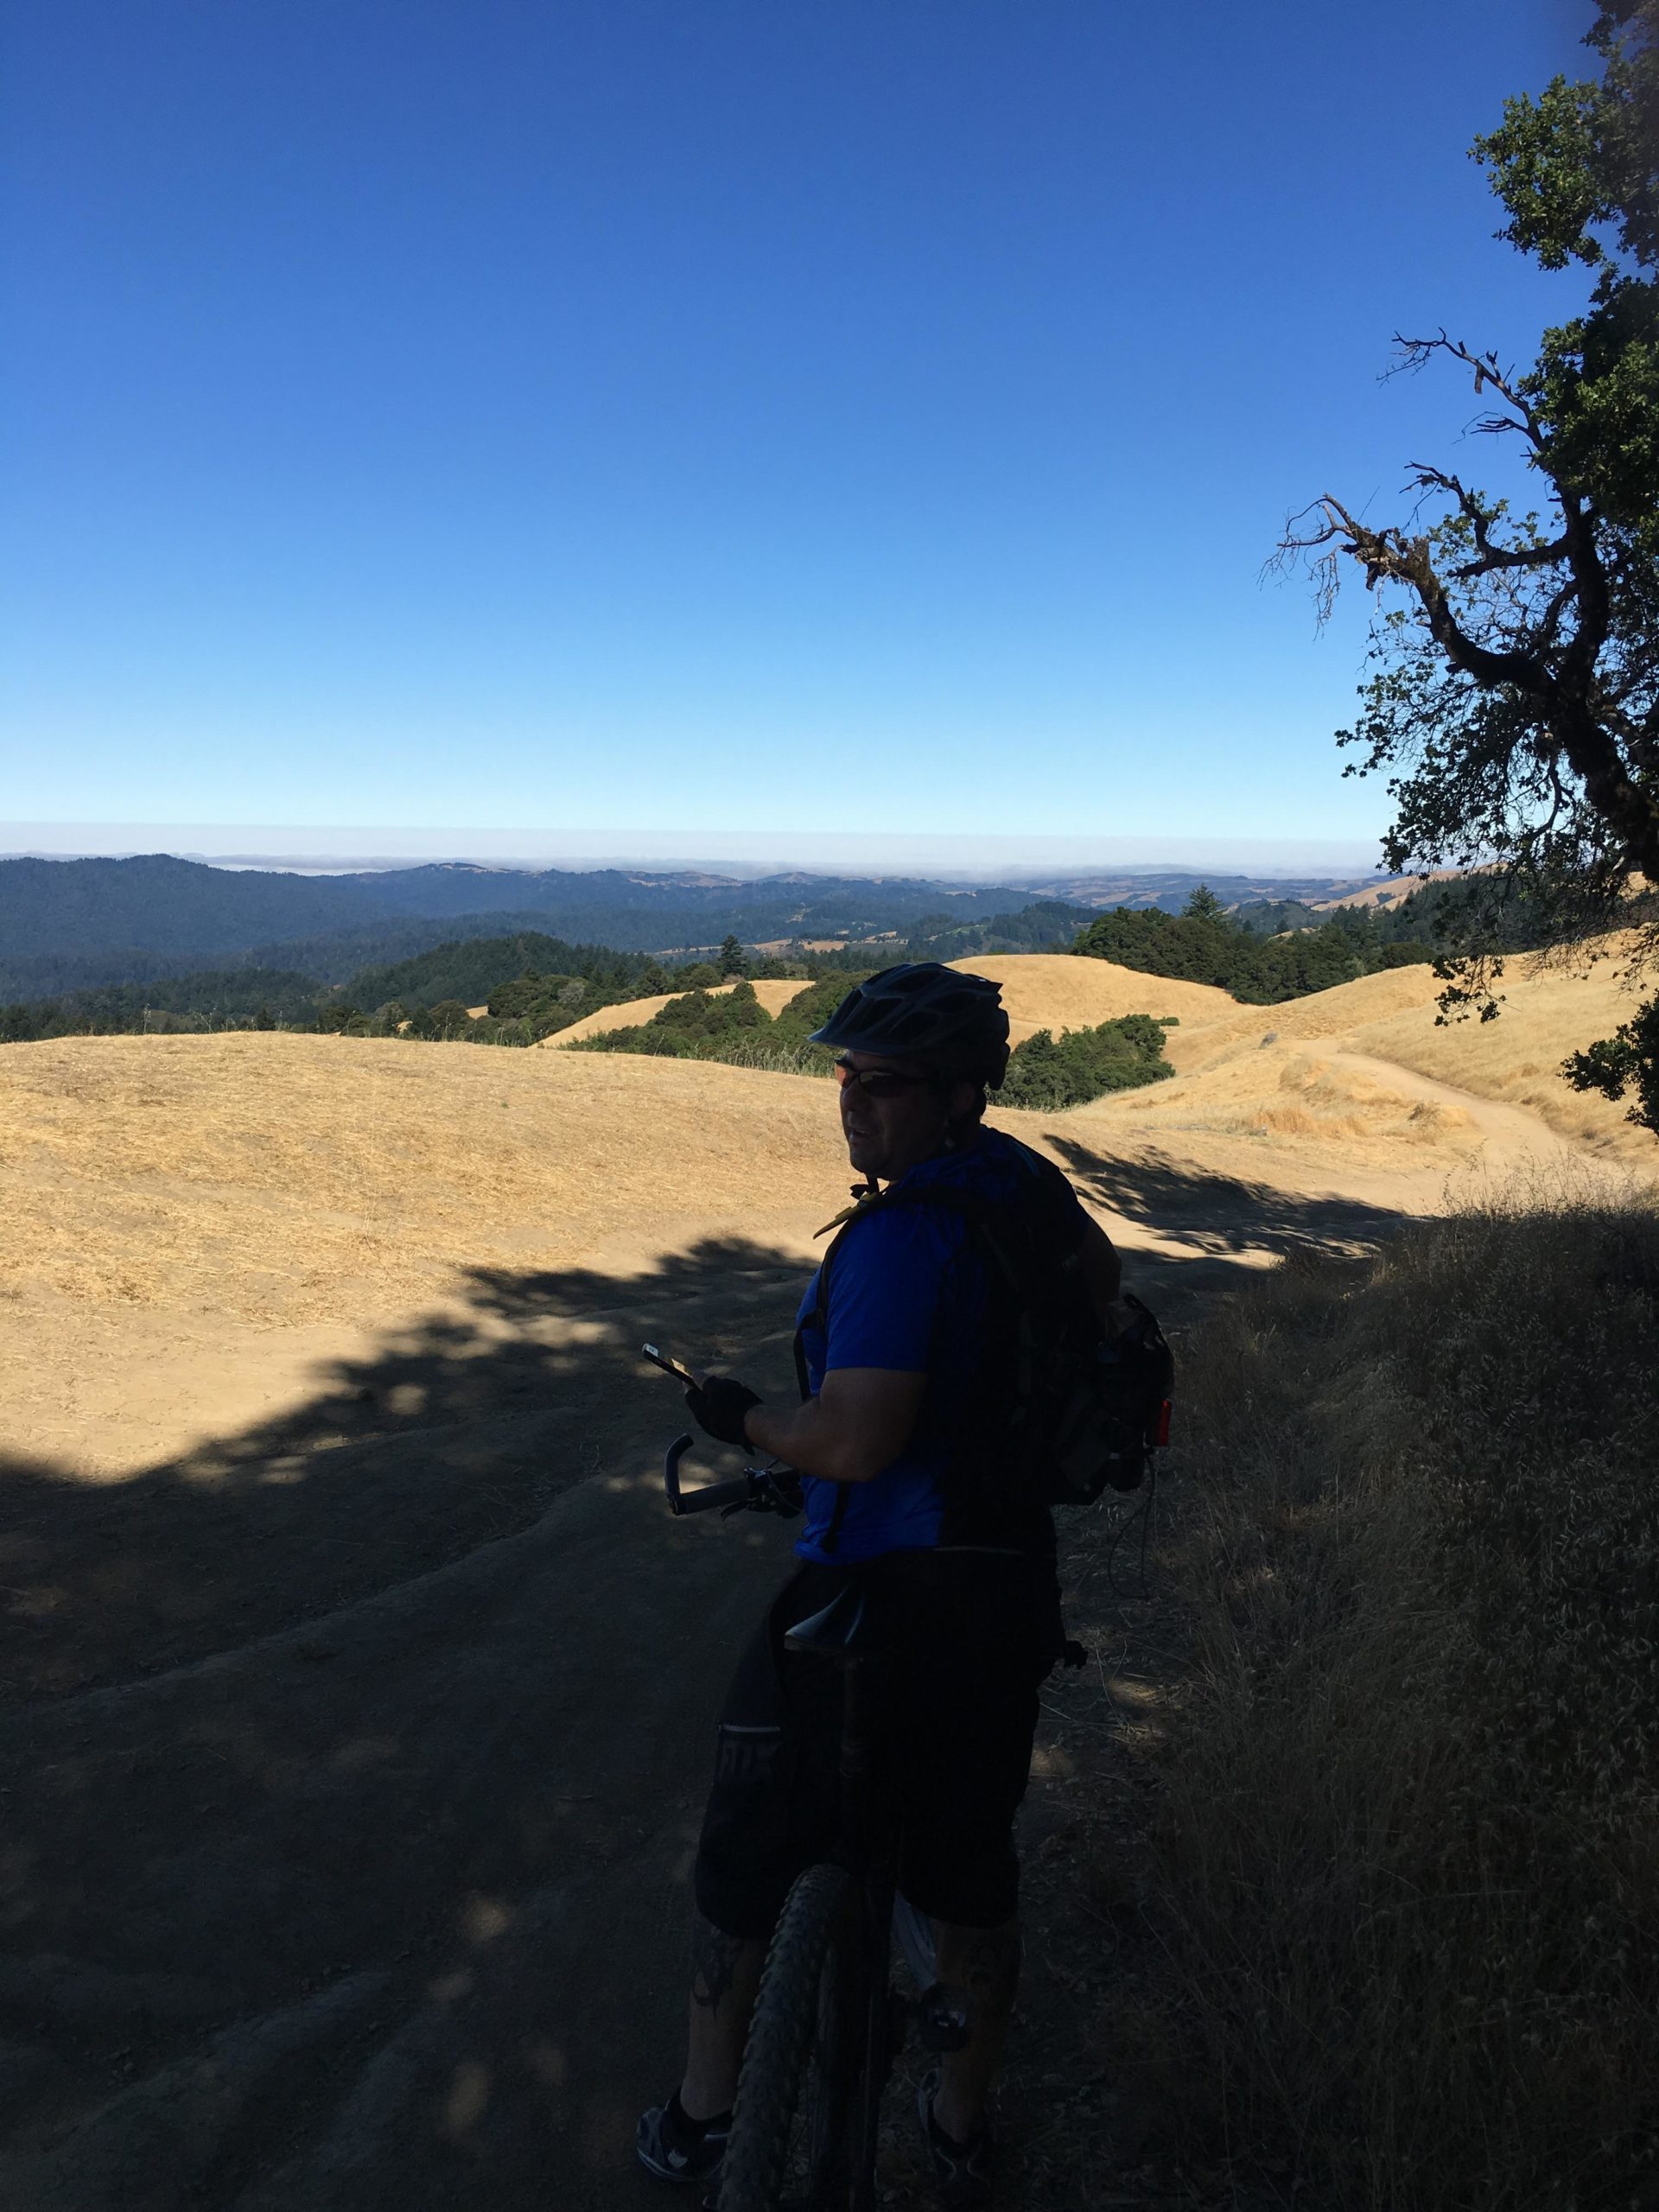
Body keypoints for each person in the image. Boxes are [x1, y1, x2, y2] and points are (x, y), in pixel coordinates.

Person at [636, 963, 1122, 2209]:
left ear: (960, 1091)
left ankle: (701, 2116)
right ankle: (961, 2130)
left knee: (748, 1851)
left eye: (888, 1083)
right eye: (847, 1074)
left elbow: (852, 1443)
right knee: (968, 1863)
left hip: (876, 1588)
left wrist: (747, 1419)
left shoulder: (906, 1236)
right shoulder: (1030, 1193)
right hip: (1007, 1581)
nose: (856, 1101)